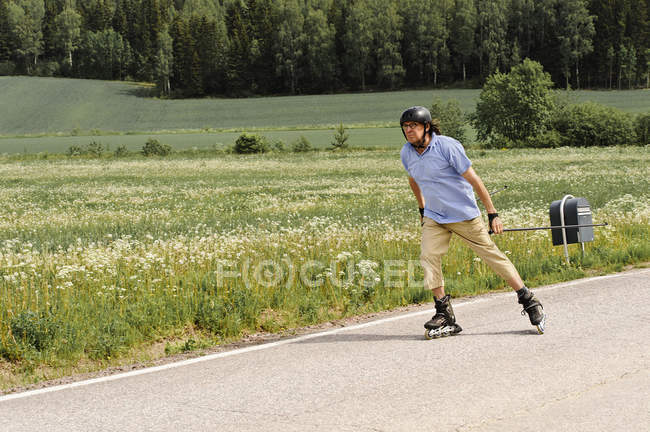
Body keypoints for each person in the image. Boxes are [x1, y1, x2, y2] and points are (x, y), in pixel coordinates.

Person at [399, 106, 546, 338]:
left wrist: (492, 213)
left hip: (464, 215)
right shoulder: (407, 152)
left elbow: (473, 178)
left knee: (492, 256)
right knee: (428, 256)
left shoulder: (447, 147)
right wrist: (422, 208)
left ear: (426, 127)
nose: (409, 130)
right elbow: (413, 181)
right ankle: (444, 313)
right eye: (406, 127)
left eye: (413, 126)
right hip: (435, 217)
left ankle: (529, 300)